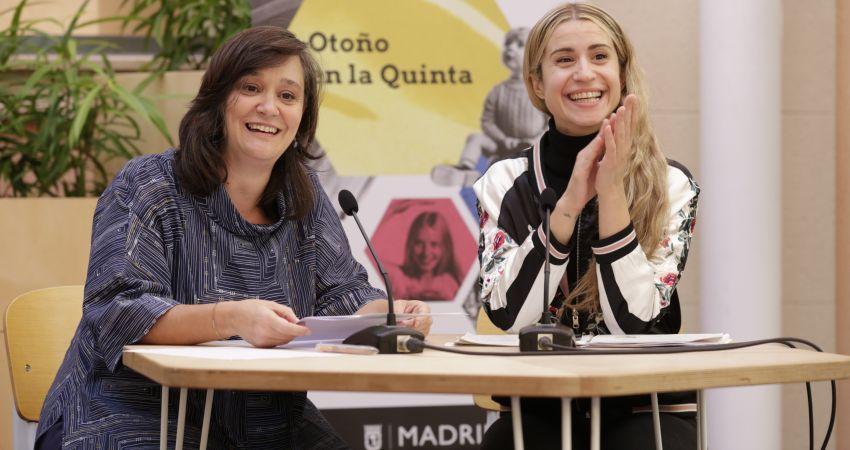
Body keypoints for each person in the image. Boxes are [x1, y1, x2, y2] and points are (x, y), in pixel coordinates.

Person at [34, 26, 432, 450]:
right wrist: (229, 318)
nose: (269, 107)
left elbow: (341, 295)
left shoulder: (306, 195)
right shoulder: (149, 184)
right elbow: (117, 310)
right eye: (251, 87)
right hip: (130, 409)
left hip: (264, 418)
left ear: (303, 116)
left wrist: (386, 314)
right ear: (219, 98)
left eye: (287, 96)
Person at [473, 3, 700, 449]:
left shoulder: (673, 184)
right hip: (538, 405)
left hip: (645, 405)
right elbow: (507, 316)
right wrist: (570, 204)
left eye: (599, 57)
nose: (584, 74)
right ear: (537, 83)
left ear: (622, 72)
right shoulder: (503, 182)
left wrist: (612, 193)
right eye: (564, 60)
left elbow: (633, 327)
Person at [431, 27, 547, 186]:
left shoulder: (542, 89)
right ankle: (465, 170)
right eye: (508, 44)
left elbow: (551, 122)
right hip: (501, 146)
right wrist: (504, 140)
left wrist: (535, 140)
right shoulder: (498, 91)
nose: (511, 48)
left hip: (532, 147)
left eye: (519, 45)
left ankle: (503, 179)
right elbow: (487, 121)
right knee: (475, 138)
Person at [386, 211, 462, 301]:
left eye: (434, 244)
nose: (426, 252)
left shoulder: (449, 285)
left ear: (445, 248)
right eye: (419, 243)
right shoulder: (397, 278)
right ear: (410, 244)